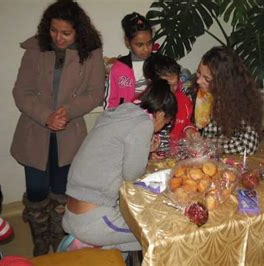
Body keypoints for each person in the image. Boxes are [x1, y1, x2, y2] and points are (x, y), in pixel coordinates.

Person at [10, 0, 105, 256]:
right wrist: (46, 116)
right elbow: (21, 92)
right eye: (53, 31)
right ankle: (41, 242)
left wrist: (68, 111)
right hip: (35, 131)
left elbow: (95, 93)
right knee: (37, 191)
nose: (58, 38)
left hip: (69, 132)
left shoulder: (92, 52)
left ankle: (61, 241)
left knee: (63, 191)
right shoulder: (35, 49)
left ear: (79, 31)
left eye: (66, 33)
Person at [62, 79, 177, 252]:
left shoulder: (122, 111)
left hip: (73, 212)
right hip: (93, 219)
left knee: (140, 243)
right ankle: (91, 243)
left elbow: (114, 154)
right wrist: (144, 149)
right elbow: (132, 175)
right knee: (163, 232)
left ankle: (98, 247)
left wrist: (144, 148)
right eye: (166, 122)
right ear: (160, 114)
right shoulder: (144, 123)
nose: (162, 128)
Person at [189, 46, 264, 155]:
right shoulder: (194, 93)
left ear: (223, 82)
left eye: (207, 79)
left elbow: (249, 144)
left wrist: (212, 145)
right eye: (198, 73)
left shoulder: (239, 101)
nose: (198, 81)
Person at [143, 54, 197, 159]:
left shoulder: (185, 101)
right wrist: (147, 153)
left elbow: (187, 122)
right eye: (167, 85)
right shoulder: (142, 105)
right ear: (151, 82)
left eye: (175, 83)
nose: (172, 89)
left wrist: (189, 129)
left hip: (176, 160)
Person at [104, 12, 158, 109]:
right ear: (127, 42)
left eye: (149, 43)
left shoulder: (159, 64)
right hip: (125, 119)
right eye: (139, 45)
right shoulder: (118, 68)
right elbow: (110, 102)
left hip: (153, 119)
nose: (146, 49)